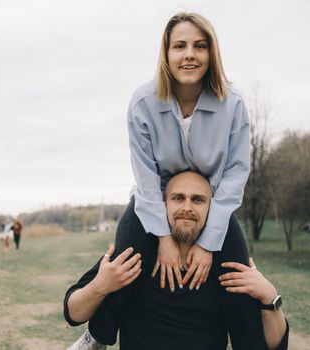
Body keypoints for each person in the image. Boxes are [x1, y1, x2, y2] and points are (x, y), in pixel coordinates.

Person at [73, 11, 253, 347]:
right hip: (153, 202)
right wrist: (164, 239)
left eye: (200, 46)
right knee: (125, 261)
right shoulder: (143, 102)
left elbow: (236, 173)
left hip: (209, 207)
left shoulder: (234, 105)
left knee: (239, 275)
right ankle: (96, 336)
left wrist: (207, 241)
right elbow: (144, 175)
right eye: (179, 46)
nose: (189, 54)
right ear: (166, 54)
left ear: (211, 53)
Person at [64, 171, 288, 350]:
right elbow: (73, 313)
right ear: (163, 205)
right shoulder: (136, 256)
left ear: (213, 209)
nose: (187, 207)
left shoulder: (225, 266)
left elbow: (272, 346)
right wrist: (100, 286)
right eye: (178, 198)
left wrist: (271, 298)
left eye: (198, 200)